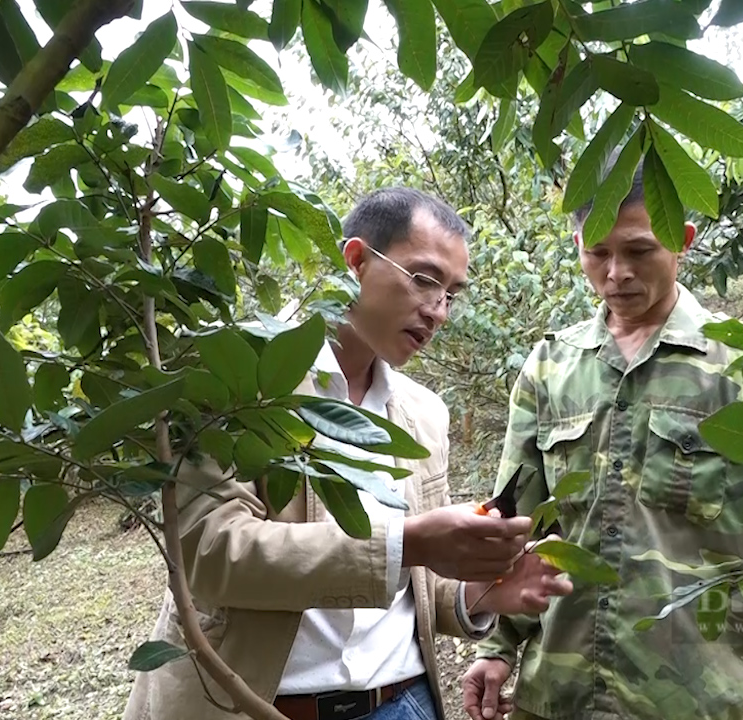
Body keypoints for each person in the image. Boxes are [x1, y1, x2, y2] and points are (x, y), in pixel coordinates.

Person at [125, 187, 572, 720]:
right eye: (425, 279)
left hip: (402, 701)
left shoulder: (424, 416)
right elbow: (208, 552)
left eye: (452, 293)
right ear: (355, 260)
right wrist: (408, 545)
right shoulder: (234, 379)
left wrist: (480, 592)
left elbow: (417, 588)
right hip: (252, 703)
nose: (439, 312)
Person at [462, 160, 743, 720]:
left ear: (684, 241)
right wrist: (497, 647)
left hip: (689, 695)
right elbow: (519, 521)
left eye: (639, 250)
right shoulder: (551, 366)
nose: (616, 273)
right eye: (597, 253)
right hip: (558, 690)